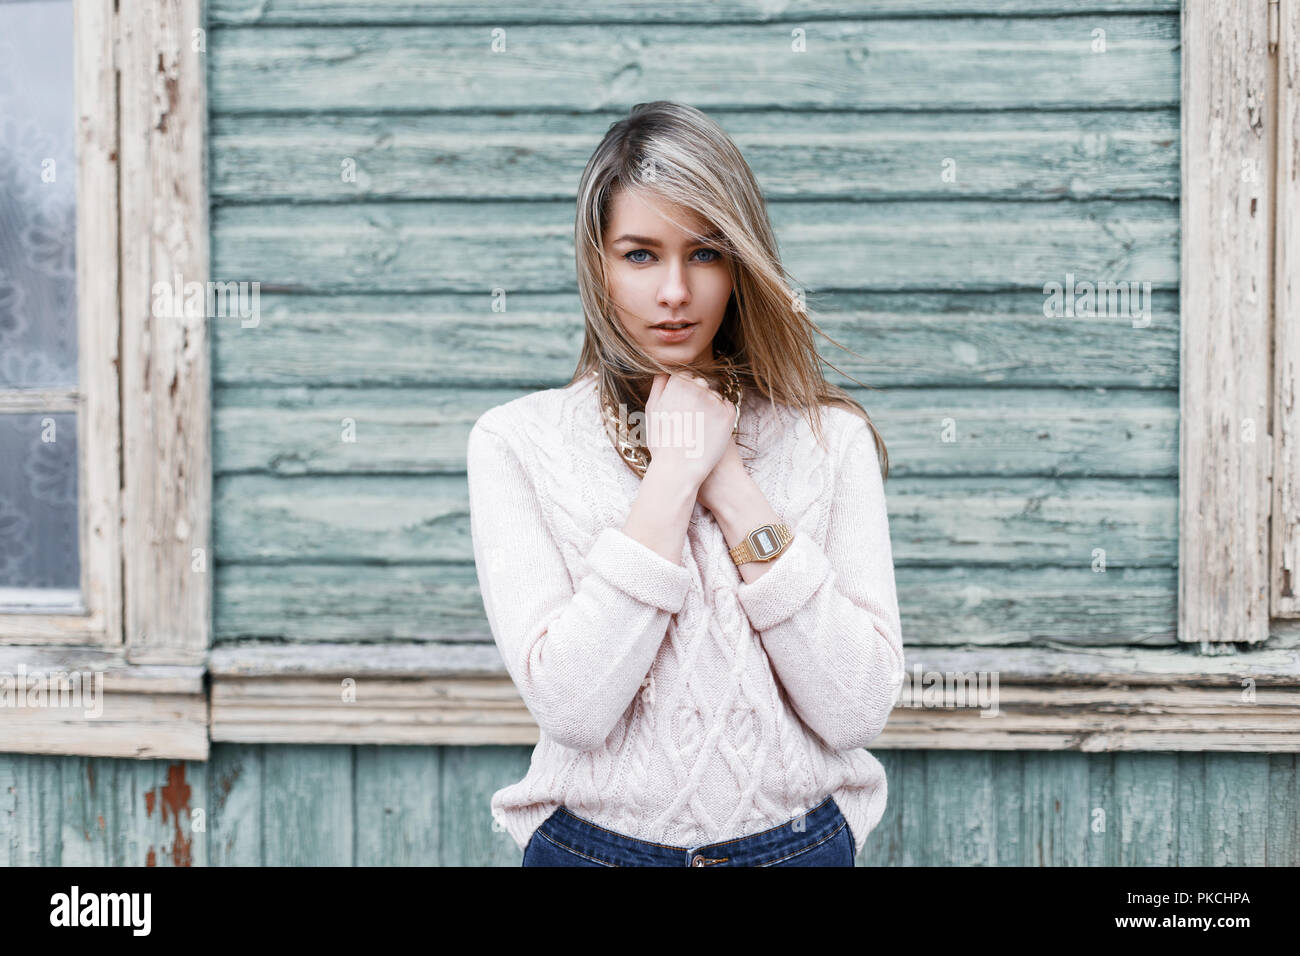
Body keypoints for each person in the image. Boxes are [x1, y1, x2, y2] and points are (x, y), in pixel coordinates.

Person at [466, 101, 905, 867]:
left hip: (796, 850)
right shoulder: (517, 443)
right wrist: (671, 475)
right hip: (591, 851)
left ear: (741, 263)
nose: (674, 292)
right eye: (639, 255)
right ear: (597, 264)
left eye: (704, 254)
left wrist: (730, 481)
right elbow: (572, 706)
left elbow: (855, 708)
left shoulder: (830, 440)